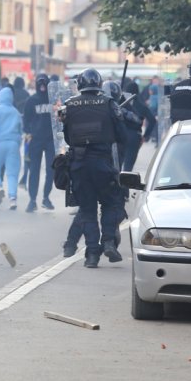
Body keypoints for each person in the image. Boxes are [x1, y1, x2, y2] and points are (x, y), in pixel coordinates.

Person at [60, 68, 128, 268]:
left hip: (79, 166)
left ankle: (91, 255)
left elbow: (66, 138)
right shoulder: (109, 104)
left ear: (80, 85)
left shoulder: (69, 105)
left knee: (88, 210)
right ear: (99, 84)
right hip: (102, 164)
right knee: (111, 203)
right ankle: (108, 241)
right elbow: (122, 136)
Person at [21, 76, 56, 211]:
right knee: (34, 170)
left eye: (45, 83)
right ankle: (32, 200)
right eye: (40, 83)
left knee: (51, 170)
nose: (42, 86)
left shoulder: (53, 100)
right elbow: (26, 119)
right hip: (35, 140)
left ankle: (46, 197)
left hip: (50, 140)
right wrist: (28, 133)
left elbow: (59, 118)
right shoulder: (32, 100)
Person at [121, 80, 156, 171]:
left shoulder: (120, 104)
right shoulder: (141, 105)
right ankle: (125, 184)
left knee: (117, 164)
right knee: (128, 167)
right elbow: (152, 121)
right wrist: (145, 136)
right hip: (134, 136)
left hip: (120, 135)